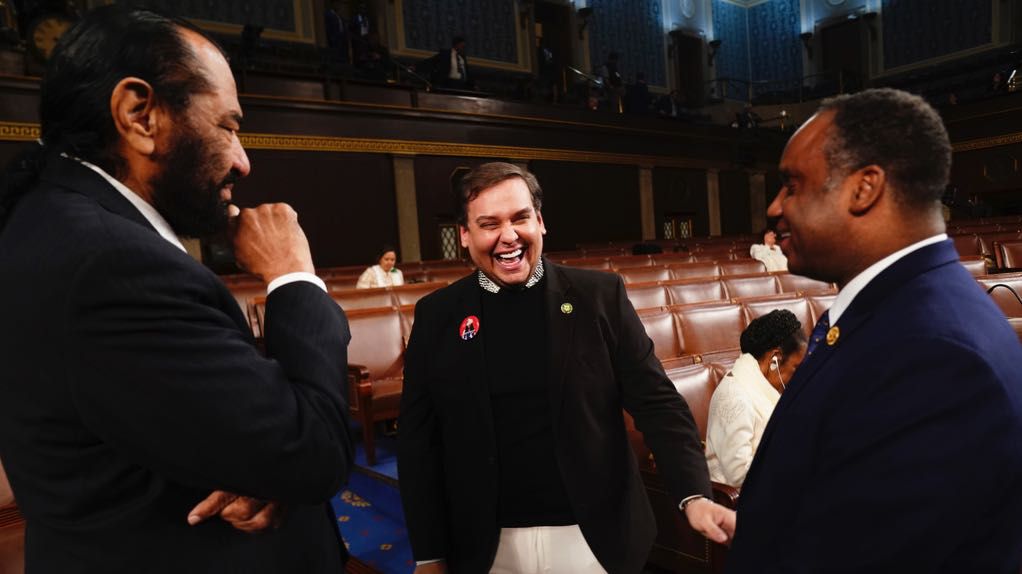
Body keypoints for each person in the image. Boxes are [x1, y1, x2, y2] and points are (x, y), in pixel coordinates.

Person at [0, 6, 354, 572]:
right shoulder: (110, 264)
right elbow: (311, 454)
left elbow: (145, 419)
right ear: (139, 114)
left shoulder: (51, 222)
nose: (242, 160)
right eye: (228, 126)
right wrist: (294, 276)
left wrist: (249, 460)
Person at [727, 88, 1022, 571]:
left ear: (864, 188)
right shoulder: (895, 308)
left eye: (792, 185)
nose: (775, 208)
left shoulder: (932, 353)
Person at [398, 162, 734, 574]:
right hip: (484, 544)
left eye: (520, 218)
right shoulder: (437, 316)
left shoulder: (598, 297)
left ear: (540, 222)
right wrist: (429, 554)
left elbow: (658, 404)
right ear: (465, 235)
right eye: (489, 224)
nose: (509, 236)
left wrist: (692, 494)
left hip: (593, 539)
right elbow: (418, 446)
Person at [705, 310, 805, 488]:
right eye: (796, 368)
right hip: (743, 503)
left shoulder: (767, 387)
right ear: (775, 358)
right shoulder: (734, 397)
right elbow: (739, 474)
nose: (799, 377)